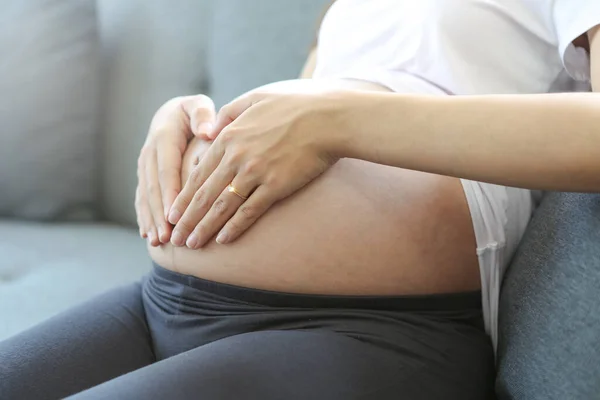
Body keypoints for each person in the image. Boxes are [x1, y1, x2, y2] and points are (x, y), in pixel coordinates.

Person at [2, 0, 599, 399]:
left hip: (365, 332)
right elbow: (300, 116)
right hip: (163, 300)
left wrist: (335, 122)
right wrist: (186, 125)